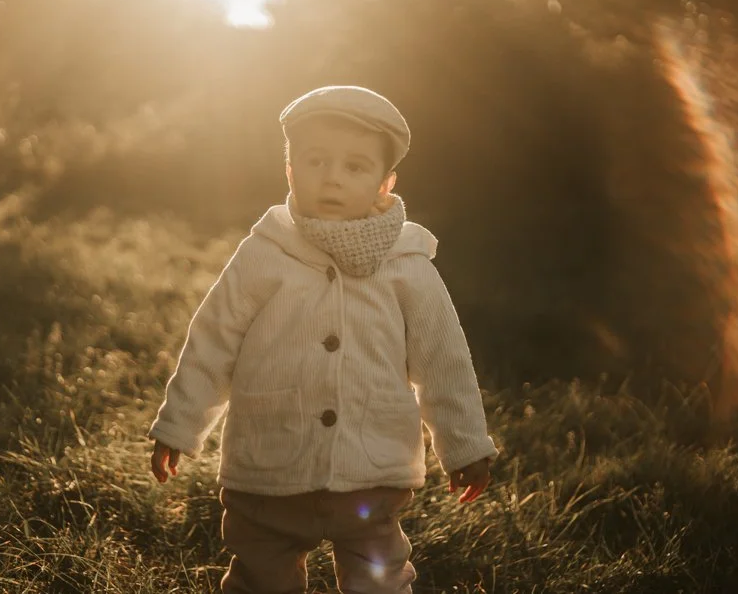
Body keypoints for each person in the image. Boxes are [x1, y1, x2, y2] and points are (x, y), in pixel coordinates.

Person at [149, 85, 498, 593]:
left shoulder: (407, 265)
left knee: (379, 580)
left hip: (371, 470)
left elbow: (443, 360)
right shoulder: (265, 252)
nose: (332, 177)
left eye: (355, 167)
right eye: (316, 161)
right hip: (269, 466)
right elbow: (214, 340)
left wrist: (465, 444)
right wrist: (179, 424)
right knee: (261, 578)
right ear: (290, 170)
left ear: (385, 183)